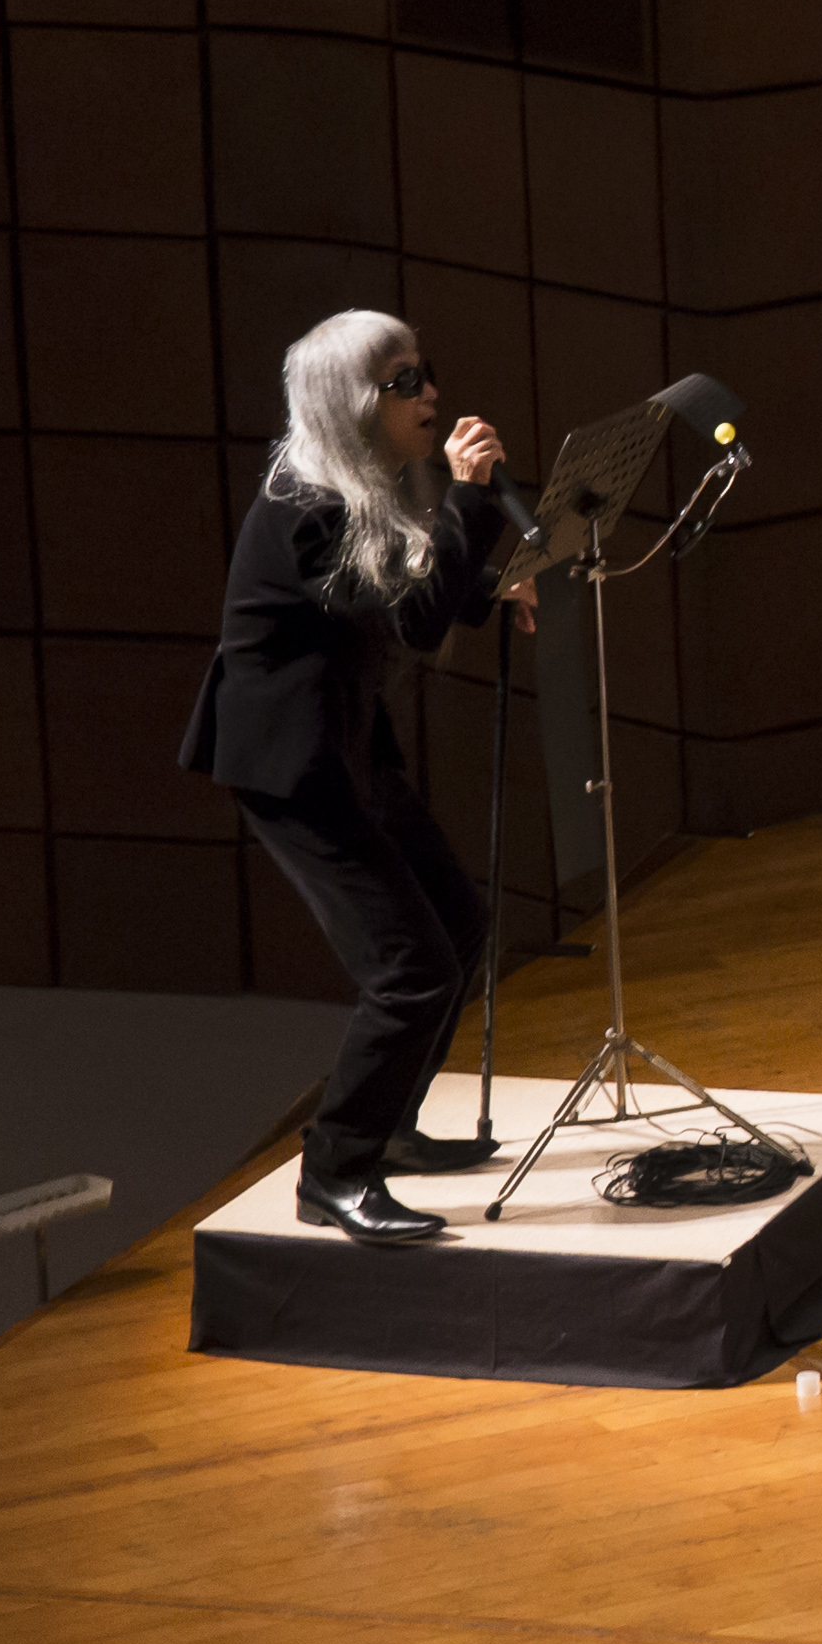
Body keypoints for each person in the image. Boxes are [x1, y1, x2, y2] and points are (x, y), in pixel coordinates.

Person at [179, 310, 520, 1245]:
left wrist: (486, 586)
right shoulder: (309, 505)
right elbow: (408, 617)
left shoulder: (345, 484)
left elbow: (400, 588)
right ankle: (335, 1169)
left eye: (426, 373)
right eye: (405, 382)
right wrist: (471, 497)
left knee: (459, 923)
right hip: (292, 767)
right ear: (352, 402)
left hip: (343, 745)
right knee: (411, 968)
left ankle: (392, 1128)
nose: (431, 396)